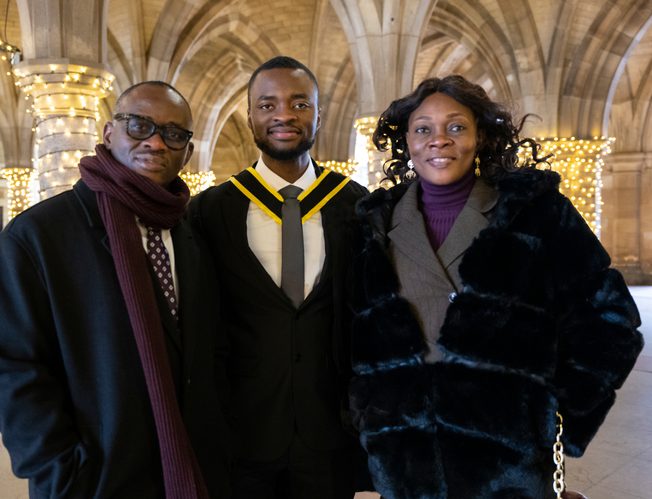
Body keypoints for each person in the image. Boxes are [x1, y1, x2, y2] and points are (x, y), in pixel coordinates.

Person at [349, 75, 644, 499]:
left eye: (456, 126)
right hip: (406, 460)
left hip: (507, 465)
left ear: (480, 137)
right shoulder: (375, 225)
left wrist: (559, 414)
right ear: (407, 142)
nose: (439, 140)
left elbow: (611, 319)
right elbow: (358, 337)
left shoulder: (534, 213)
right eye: (423, 129)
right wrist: (369, 417)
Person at [0, 81, 230, 498]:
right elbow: (15, 368)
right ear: (108, 134)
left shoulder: (191, 232)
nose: (156, 142)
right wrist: (62, 471)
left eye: (174, 134)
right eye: (139, 125)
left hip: (190, 470)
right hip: (96, 478)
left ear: (188, 152)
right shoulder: (38, 235)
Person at [190, 56, 369, 498]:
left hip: (331, 435)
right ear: (249, 115)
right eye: (267, 105)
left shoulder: (357, 207)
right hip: (242, 434)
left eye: (299, 103)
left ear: (318, 115)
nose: (284, 115)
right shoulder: (210, 212)